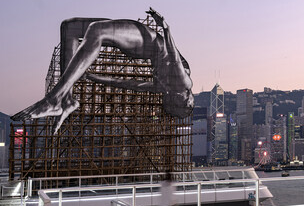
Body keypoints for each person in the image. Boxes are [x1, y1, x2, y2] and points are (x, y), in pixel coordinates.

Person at [11, 8, 194, 134]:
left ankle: (60, 99)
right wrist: (165, 26)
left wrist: (96, 77)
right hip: (151, 41)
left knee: (96, 30)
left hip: (145, 46)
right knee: (70, 28)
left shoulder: (167, 89)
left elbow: (129, 84)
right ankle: (63, 99)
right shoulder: (182, 84)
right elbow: (173, 55)